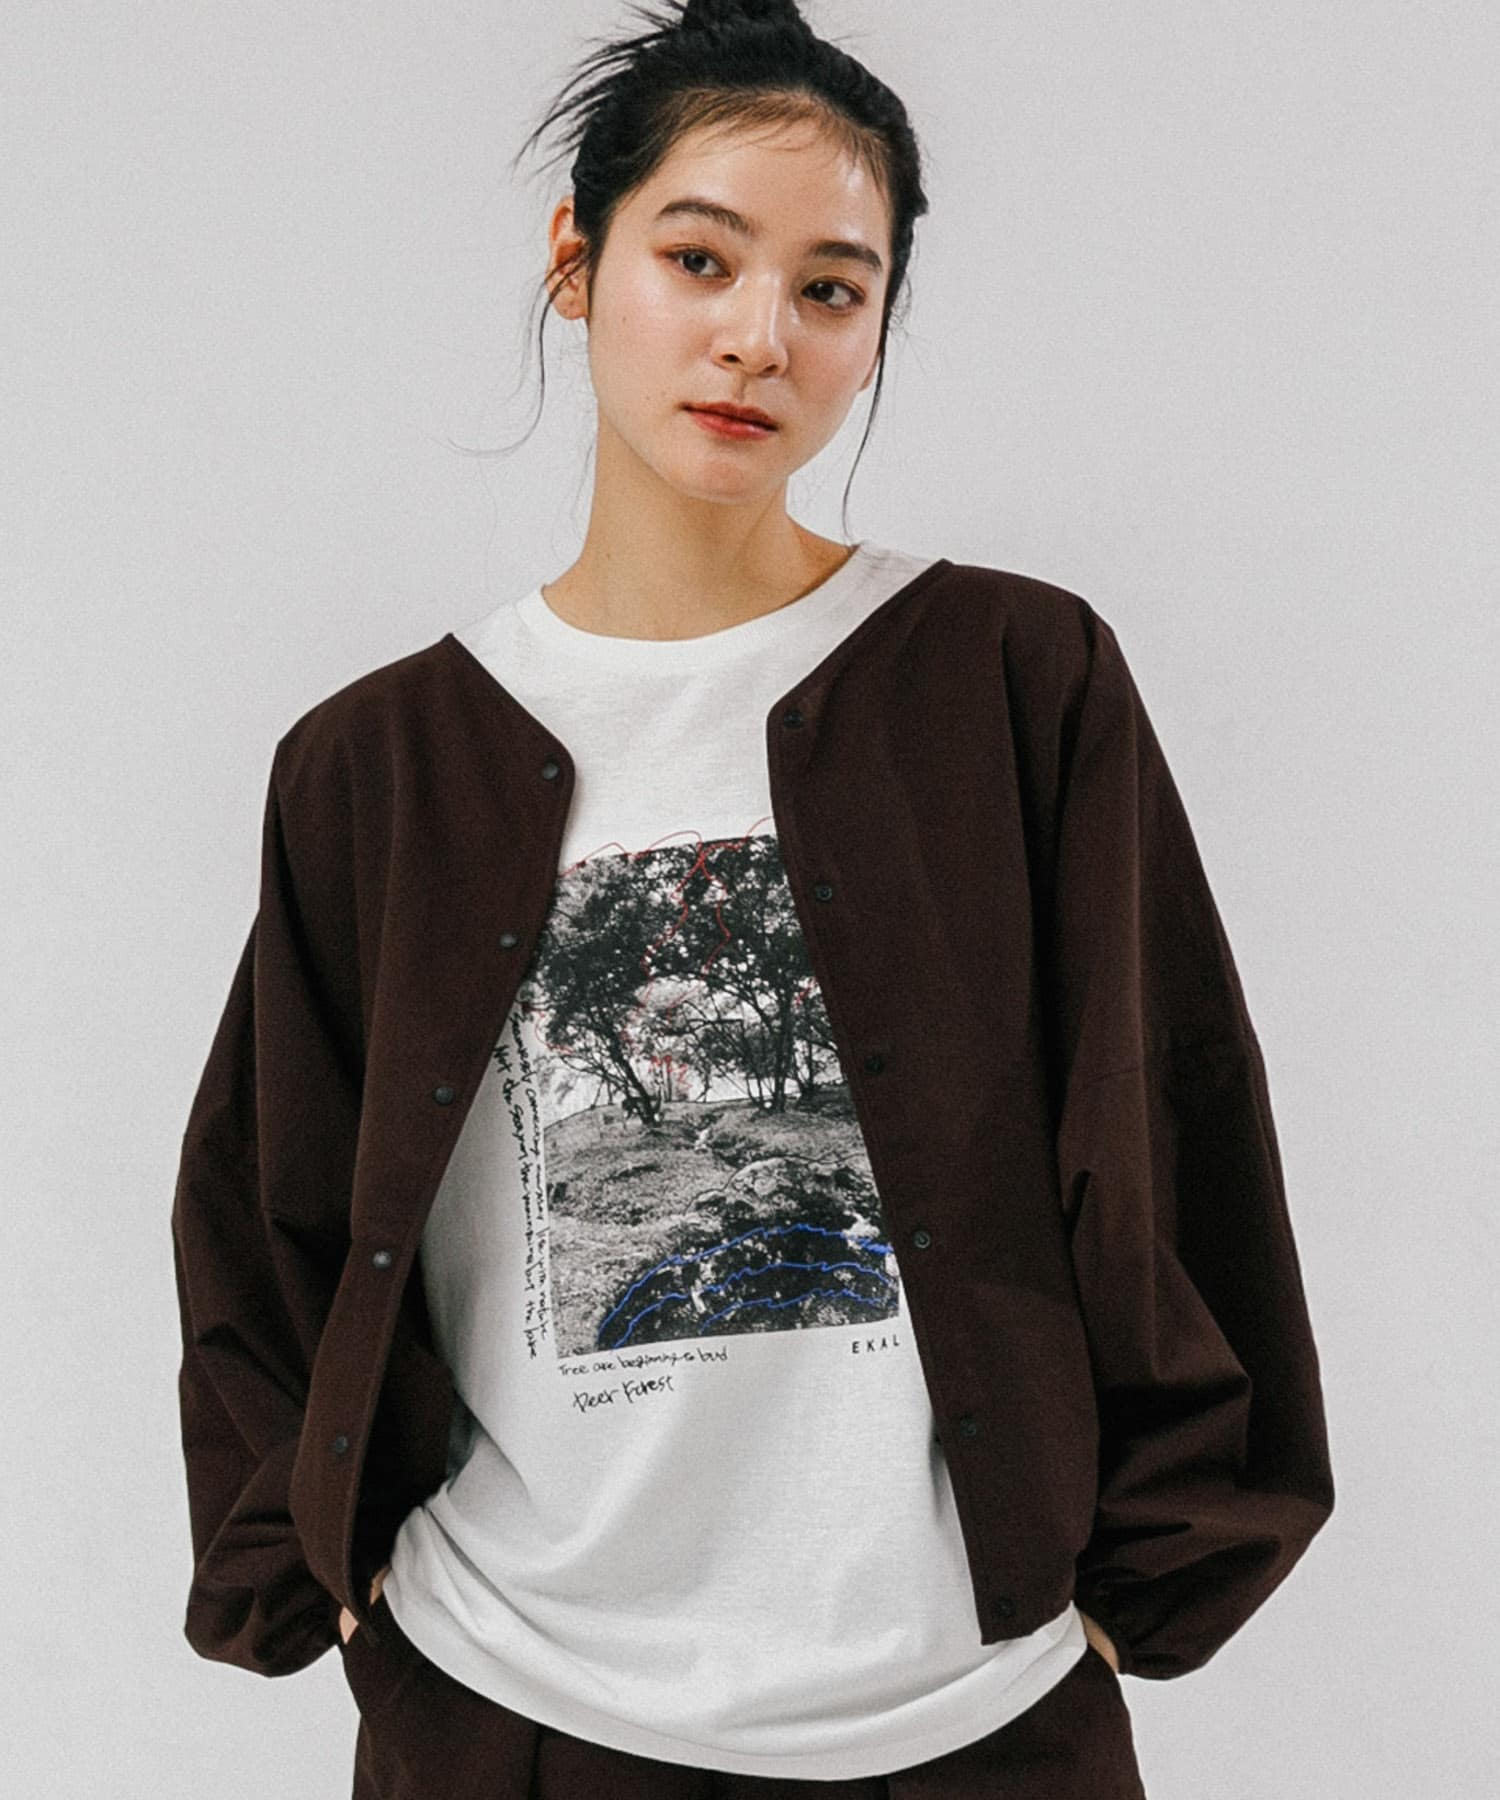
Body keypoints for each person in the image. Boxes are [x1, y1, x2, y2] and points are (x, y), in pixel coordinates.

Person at [170, 3, 1333, 1797]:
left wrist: (1147, 1583)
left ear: (876, 328)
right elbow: (269, 1206)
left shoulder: (1014, 680)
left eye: (830, 288)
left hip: (969, 1718)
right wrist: (330, 1576)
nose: (756, 336)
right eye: (699, 257)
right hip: (517, 1713)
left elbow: (1173, 1114)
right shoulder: (381, 764)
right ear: (578, 262)